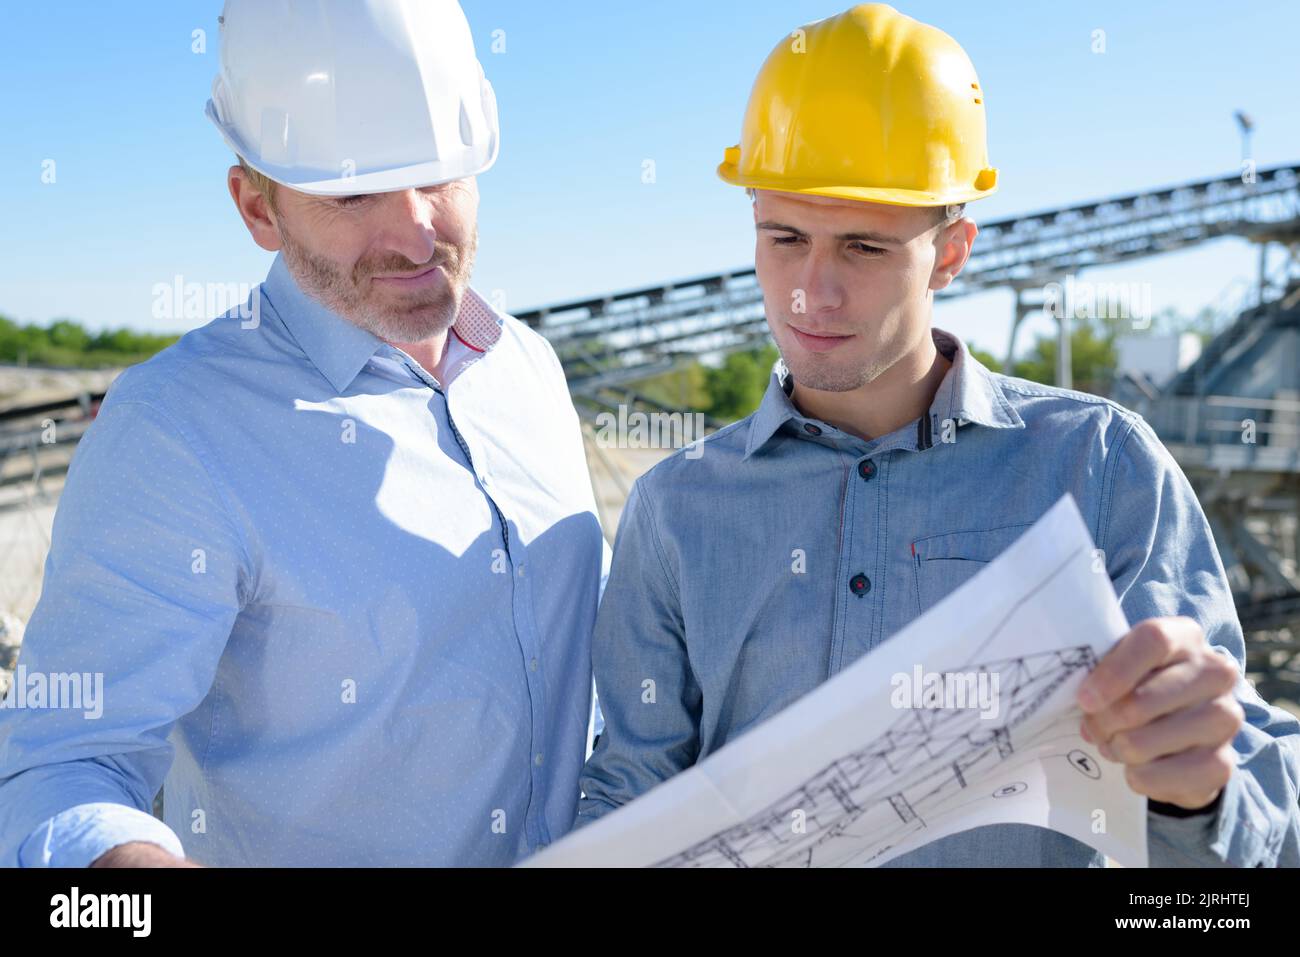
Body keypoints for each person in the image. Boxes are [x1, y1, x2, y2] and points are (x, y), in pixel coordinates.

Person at [575, 3, 1300, 866]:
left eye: (864, 248)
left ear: (952, 251)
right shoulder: (676, 509)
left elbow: (1239, 854)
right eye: (785, 237)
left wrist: (1198, 795)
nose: (813, 291)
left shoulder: (1100, 468)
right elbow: (631, 791)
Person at [0, 0, 604, 867]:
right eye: (353, 190)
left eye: (439, 174)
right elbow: (59, 772)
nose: (416, 231)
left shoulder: (529, 369)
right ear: (257, 207)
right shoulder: (174, 432)